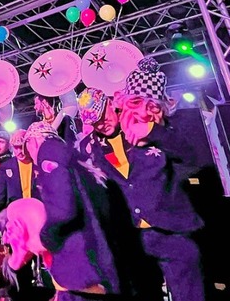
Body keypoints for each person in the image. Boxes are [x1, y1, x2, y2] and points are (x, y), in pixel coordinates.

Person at [78, 57, 207, 301]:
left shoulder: (152, 125)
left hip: (171, 230)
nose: (101, 123)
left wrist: (153, 132)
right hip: (131, 238)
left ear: (112, 103)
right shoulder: (91, 148)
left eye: (102, 114)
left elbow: (191, 156)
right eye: (93, 121)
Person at [22, 121, 127, 299]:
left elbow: (62, 210)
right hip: (103, 260)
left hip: (80, 264)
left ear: (33, 141)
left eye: (28, 151)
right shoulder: (77, 156)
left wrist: (44, 239)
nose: (32, 159)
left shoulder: (48, 151)